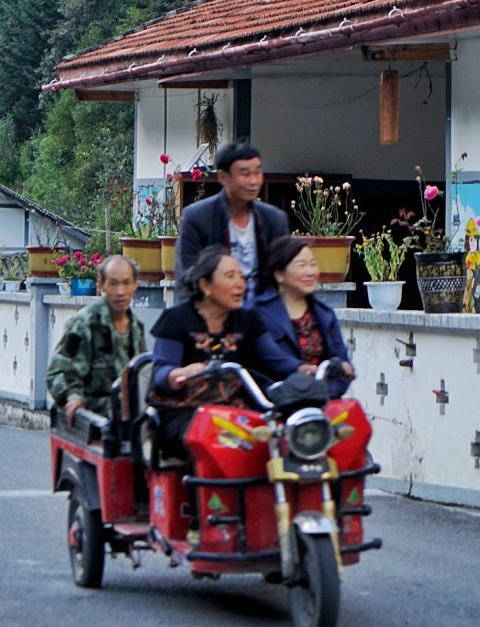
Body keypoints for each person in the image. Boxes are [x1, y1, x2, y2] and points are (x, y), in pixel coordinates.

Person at [149, 245, 303, 455]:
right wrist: (182, 373)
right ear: (205, 285)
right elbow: (160, 372)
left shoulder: (248, 319)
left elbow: (276, 360)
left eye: (241, 276)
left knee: (282, 435)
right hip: (184, 411)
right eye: (230, 276)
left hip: (235, 410)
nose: (240, 283)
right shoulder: (176, 319)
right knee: (213, 439)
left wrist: (307, 370)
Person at [176, 141, 289, 299]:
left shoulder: (274, 219)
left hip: (262, 311)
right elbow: (187, 276)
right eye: (245, 174)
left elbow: (284, 270)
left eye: (257, 172)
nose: (253, 181)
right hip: (215, 308)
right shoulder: (197, 217)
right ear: (223, 177)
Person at [46, 255, 149, 423]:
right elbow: (59, 372)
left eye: (126, 283)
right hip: (96, 419)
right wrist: (73, 397)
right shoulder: (84, 323)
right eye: (113, 283)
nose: (120, 291)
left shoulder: (136, 327)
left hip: (131, 418)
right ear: (101, 284)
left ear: (135, 284)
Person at [253, 235, 356, 399]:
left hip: (318, 404)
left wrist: (320, 394)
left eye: (313, 264)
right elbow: (261, 365)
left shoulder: (325, 314)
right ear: (279, 274)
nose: (310, 272)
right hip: (271, 405)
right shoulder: (256, 312)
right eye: (301, 265)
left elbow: (344, 369)